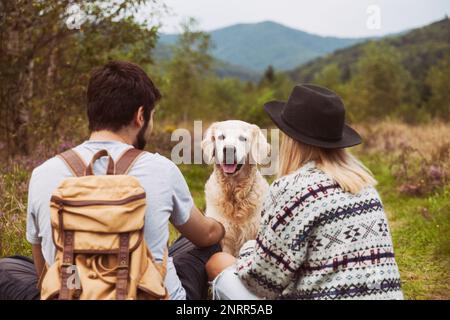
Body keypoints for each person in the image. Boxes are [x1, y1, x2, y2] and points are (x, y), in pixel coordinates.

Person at [0, 61, 225, 300]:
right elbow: (206, 235)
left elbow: (42, 268)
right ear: (140, 116)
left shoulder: (43, 173)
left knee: (9, 266)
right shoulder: (161, 169)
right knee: (202, 244)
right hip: (151, 294)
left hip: (70, 291)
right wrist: (221, 225)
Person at [206, 84, 404, 300]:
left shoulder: (291, 189)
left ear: (292, 140)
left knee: (219, 264)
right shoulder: (367, 187)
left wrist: (248, 250)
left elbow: (263, 282)